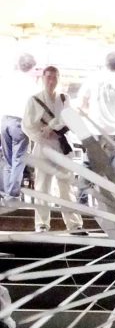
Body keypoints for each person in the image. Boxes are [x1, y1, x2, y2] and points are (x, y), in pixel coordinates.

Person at [21, 66, 84, 234]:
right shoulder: (33, 100)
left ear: (58, 79)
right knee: (42, 187)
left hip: (61, 146)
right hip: (44, 146)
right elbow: (27, 125)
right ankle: (41, 224)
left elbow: (68, 118)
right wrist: (43, 134)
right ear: (43, 78)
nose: (51, 81)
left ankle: (74, 225)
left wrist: (53, 128)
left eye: (54, 77)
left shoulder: (64, 98)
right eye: (48, 77)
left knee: (66, 187)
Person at [78, 51, 115, 178]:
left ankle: (82, 197)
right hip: (114, 132)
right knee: (110, 169)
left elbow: (82, 105)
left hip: (95, 130)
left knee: (89, 167)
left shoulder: (93, 80)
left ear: (105, 64)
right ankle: (105, 197)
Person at [1, 53, 37, 199]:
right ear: (32, 67)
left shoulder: (7, 79)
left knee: (7, 159)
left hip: (3, 121)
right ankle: (13, 194)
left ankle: (4, 193)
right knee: (18, 160)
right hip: (19, 123)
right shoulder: (33, 85)